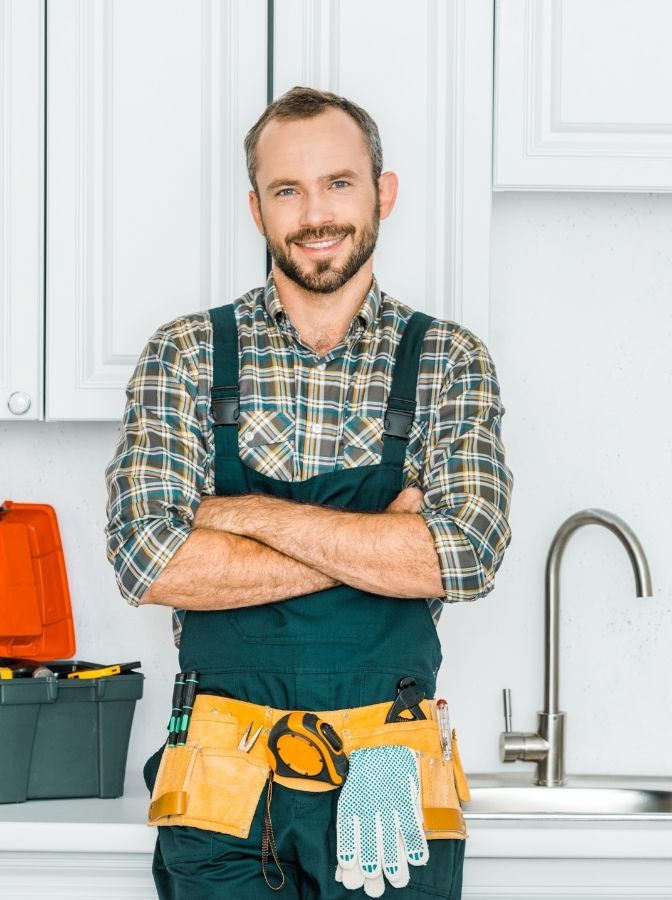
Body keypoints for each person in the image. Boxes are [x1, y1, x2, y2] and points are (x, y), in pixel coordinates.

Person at [105, 86, 512, 900]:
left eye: (338, 183)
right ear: (256, 209)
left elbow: (463, 555)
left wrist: (242, 517)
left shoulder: (448, 360)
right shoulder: (185, 353)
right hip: (221, 779)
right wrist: (378, 543)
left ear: (382, 193)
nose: (315, 213)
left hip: (387, 764)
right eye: (287, 190)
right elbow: (150, 563)